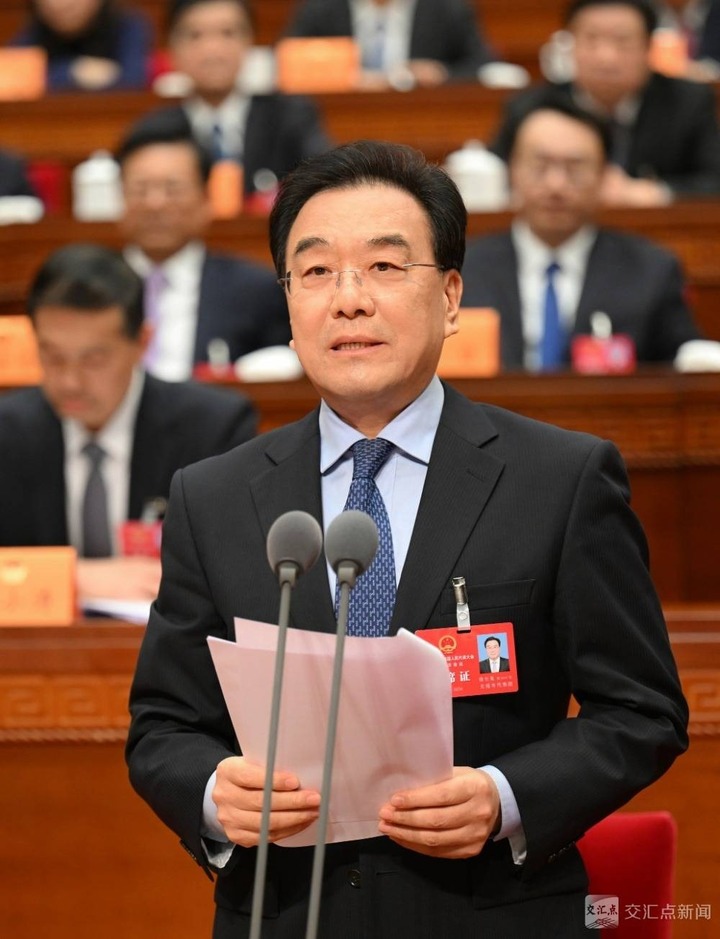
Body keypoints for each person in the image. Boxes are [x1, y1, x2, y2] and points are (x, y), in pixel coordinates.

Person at [126, 139, 687, 938]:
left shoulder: (560, 479)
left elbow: (641, 709)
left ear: (451, 297)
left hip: (488, 914)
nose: (348, 299)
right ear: (288, 302)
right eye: (316, 271)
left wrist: (504, 796)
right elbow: (162, 724)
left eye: (384, 267)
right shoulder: (213, 496)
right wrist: (217, 792)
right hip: (288, 912)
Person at [0, 244, 256, 603]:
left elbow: (230, 567)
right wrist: (75, 578)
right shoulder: (7, 433)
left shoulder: (211, 428)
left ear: (142, 343)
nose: (70, 381)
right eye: (53, 357)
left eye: (93, 360)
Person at [463, 99, 703, 370]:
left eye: (574, 168)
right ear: (512, 170)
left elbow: (687, 367)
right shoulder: (465, 269)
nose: (556, 185)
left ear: (604, 176)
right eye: (540, 165)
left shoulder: (651, 271)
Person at [490, 0, 720, 204]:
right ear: (570, 46)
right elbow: (497, 179)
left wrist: (658, 192)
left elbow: (713, 180)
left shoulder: (688, 102)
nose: (606, 57)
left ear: (648, 47)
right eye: (591, 39)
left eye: (622, 41)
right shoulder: (532, 107)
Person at [116, 125, 291, 381]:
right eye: (141, 189)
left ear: (206, 198)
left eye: (172, 188)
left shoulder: (255, 290)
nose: (155, 204)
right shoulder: (88, 286)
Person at [128, 0, 331, 198]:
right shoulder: (154, 131)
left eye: (227, 33)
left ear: (250, 41)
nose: (212, 50)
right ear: (171, 48)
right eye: (195, 35)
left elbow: (325, 180)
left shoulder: (290, 118)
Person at [283, 0, 495, 88]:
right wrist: (344, 76)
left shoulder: (446, 8)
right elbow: (287, 61)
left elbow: (483, 65)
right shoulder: (322, 7)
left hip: (417, 117)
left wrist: (442, 73)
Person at [9, 0, 151, 91]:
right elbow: (12, 79)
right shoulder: (33, 33)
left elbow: (135, 79)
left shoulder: (126, 25)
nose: (60, 4)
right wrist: (73, 71)